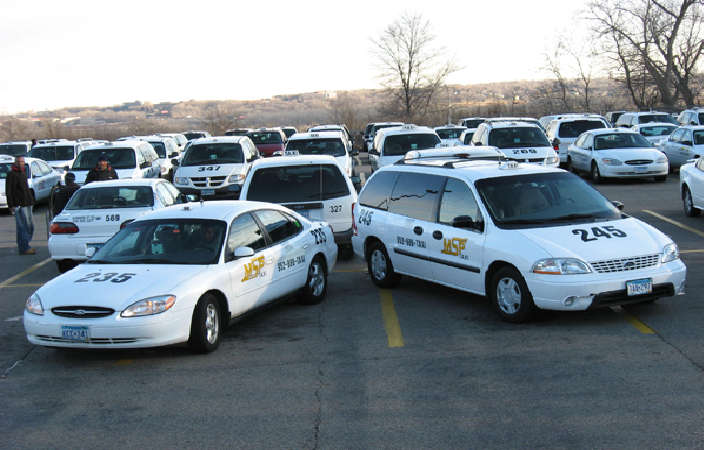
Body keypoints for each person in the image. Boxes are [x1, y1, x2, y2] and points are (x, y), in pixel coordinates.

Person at [6, 156, 36, 255]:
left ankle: (26, 245)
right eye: (18, 161)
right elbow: (9, 191)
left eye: (21, 161)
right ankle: (24, 248)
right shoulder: (11, 175)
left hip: (28, 203)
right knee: (23, 227)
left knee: (30, 226)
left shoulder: (23, 172)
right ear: (15, 163)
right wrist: (11, 205)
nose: (20, 163)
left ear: (24, 163)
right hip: (19, 205)